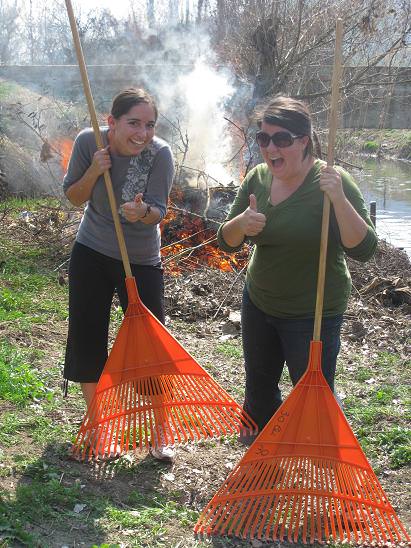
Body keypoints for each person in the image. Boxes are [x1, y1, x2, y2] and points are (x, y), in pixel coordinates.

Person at [217, 95, 377, 443]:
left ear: (304, 140)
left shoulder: (332, 180)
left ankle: (322, 457)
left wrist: (338, 199)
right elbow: (225, 242)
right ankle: (261, 457)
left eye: (281, 139)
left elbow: (364, 249)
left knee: (313, 395)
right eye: (263, 138)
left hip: (313, 312)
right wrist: (242, 223)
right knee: (259, 390)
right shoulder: (257, 178)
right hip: (259, 303)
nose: (270, 148)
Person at [63, 88, 175, 462]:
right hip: (91, 251)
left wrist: (142, 214)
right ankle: (100, 427)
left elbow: (158, 211)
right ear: (112, 122)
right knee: (87, 335)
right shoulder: (88, 142)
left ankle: (160, 432)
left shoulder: (160, 154)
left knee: (150, 345)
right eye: (134, 123)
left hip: (140, 260)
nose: (143, 133)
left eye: (149, 124)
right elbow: (74, 197)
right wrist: (95, 170)